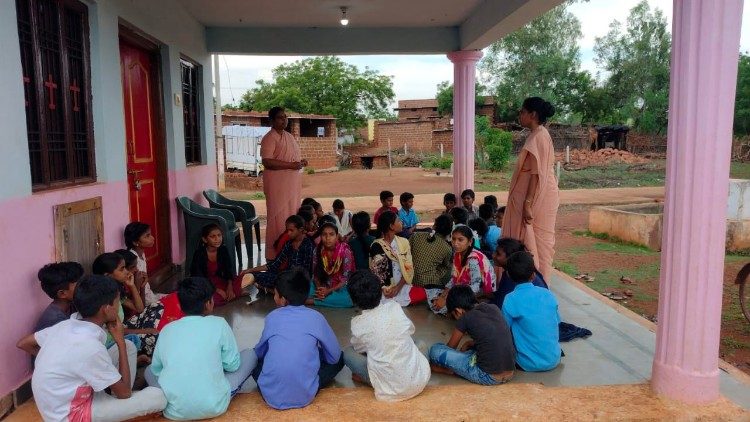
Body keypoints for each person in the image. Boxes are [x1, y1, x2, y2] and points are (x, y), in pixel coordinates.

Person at [16, 275, 167, 421]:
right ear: (106, 309)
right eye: (116, 303)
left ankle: (114, 399)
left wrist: (55, 361)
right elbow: (126, 393)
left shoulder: (65, 325)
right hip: (72, 414)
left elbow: (24, 342)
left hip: (63, 400)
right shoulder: (90, 347)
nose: (118, 307)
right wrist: (119, 341)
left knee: (129, 346)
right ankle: (116, 401)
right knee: (157, 396)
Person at [145, 277, 255, 420]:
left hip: (173, 410)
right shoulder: (219, 324)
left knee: (148, 370)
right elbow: (233, 366)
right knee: (250, 355)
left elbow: (157, 370)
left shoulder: (167, 329)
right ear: (209, 303)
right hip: (214, 406)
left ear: (181, 304)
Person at [252, 267, 344, 410]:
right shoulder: (316, 317)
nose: (274, 297)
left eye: (275, 294)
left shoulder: (272, 317)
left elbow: (259, 354)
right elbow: (334, 357)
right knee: (340, 358)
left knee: (253, 360)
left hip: (269, 395)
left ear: (283, 300)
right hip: (306, 395)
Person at [343, 270, 430, 401]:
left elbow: (359, 350)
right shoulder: (394, 307)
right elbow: (410, 331)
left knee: (348, 353)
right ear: (381, 291)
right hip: (419, 382)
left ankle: (367, 380)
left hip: (390, 389)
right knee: (420, 344)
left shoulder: (357, 324)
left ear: (353, 300)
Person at [503, 97, 560, 282]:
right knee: (525, 240)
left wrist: (528, 203)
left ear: (533, 114)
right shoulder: (535, 135)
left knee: (537, 241)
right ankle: (522, 282)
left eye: (522, 112)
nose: (519, 115)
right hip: (529, 197)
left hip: (538, 199)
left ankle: (539, 284)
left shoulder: (540, 136)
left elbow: (537, 175)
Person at [428, 286, 515, 385]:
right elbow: (493, 337)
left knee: (436, 350)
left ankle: (452, 371)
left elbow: (450, 348)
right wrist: (471, 343)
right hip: (510, 371)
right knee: (471, 351)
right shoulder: (493, 308)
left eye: (453, 315)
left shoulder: (465, 318)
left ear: (458, 310)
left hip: (487, 376)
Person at [261, 106, 307, 260]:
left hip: (291, 185)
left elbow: (292, 160)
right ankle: (275, 252)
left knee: (292, 213)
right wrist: (291, 165)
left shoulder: (289, 137)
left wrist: (300, 163)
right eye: (280, 117)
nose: (284, 120)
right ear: (272, 120)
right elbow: (267, 162)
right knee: (277, 216)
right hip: (276, 186)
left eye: (285, 117)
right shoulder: (269, 138)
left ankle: (291, 249)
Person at [503, 251, 561, 372]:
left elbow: (503, 330)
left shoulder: (510, 299)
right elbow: (557, 322)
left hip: (526, 364)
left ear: (508, 275)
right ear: (533, 275)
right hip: (554, 360)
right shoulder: (548, 294)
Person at [430, 225, 496, 315]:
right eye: (453, 239)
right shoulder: (457, 254)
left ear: (470, 242)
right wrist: (443, 296)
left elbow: (475, 287)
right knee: (434, 299)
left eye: (460, 240)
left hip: (480, 293)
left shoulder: (473, 259)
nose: (455, 243)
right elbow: (454, 278)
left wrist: (449, 299)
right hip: (464, 288)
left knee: (444, 307)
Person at [369, 211, 427, 307]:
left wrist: (398, 287)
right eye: (399, 220)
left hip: (401, 286)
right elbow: (379, 274)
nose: (402, 222)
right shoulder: (376, 245)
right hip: (384, 289)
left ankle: (391, 302)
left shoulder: (404, 242)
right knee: (381, 297)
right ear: (391, 226)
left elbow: (409, 267)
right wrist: (386, 289)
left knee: (423, 293)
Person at [244, 214, 315, 291]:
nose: (288, 233)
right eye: (287, 230)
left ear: (301, 229)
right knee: (255, 275)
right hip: (286, 277)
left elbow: (305, 271)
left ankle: (275, 291)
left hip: (300, 280)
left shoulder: (308, 245)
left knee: (289, 283)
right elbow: (275, 264)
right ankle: (277, 291)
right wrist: (250, 270)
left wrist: (286, 277)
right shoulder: (289, 244)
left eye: (291, 230)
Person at [190, 224, 253, 306]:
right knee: (212, 299)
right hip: (205, 283)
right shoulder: (199, 253)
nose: (217, 239)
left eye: (219, 235)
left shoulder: (223, 250)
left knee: (247, 276)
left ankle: (232, 293)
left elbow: (228, 270)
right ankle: (236, 293)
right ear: (205, 239)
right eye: (212, 236)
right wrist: (217, 290)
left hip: (220, 281)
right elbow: (198, 276)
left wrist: (229, 287)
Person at [409, 214, 454, 305]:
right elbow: (445, 266)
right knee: (451, 267)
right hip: (429, 284)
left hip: (409, 279)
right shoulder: (447, 248)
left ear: (434, 226)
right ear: (450, 231)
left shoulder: (416, 236)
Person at [491, 238, 548, 309]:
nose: (493, 255)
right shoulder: (521, 270)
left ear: (509, 257)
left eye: (498, 254)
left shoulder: (514, 277)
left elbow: (500, 306)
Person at [308, 222, 355, 307]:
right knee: (306, 290)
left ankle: (312, 301)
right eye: (324, 235)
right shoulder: (317, 251)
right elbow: (315, 274)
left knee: (348, 300)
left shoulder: (345, 252)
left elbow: (346, 278)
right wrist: (320, 290)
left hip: (339, 286)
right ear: (320, 236)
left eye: (331, 234)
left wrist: (329, 291)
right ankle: (322, 299)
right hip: (322, 283)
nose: (327, 238)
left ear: (337, 236)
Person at [34, 262, 84, 332]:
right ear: (62, 294)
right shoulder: (56, 320)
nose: (85, 287)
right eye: (80, 285)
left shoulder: (72, 305)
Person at [124, 221, 163, 305]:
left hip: (149, 295)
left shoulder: (141, 253)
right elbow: (136, 287)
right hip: (142, 300)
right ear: (135, 242)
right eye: (147, 236)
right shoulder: (133, 260)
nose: (152, 238)